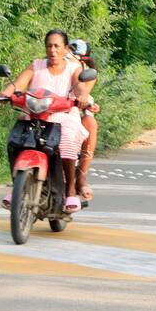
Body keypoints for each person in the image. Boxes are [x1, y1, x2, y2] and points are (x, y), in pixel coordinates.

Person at [0, 29, 93, 213]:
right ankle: (17, 185)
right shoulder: (36, 65)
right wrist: (5, 94)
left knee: (66, 139)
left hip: (64, 114)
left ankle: (71, 190)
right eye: (49, 45)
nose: (53, 50)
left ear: (65, 48)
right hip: (33, 114)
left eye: (57, 46)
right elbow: (18, 83)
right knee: (15, 141)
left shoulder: (73, 68)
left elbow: (79, 85)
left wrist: (82, 96)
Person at [66, 39, 100, 202]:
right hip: (48, 109)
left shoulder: (85, 73)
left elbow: (83, 95)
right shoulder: (51, 66)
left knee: (90, 123)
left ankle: (81, 178)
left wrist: (87, 103)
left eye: (76, 55)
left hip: (73, 110)